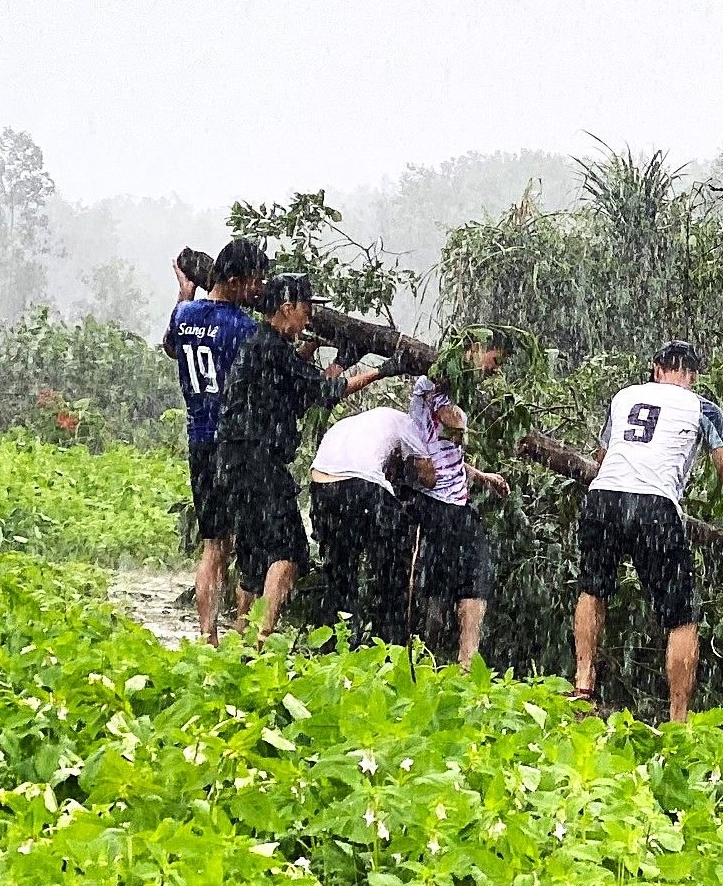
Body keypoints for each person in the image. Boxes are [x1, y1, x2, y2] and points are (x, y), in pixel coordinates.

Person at [573, 339, 723, 723]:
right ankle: (678, 719)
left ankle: (583, 681)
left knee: (593, 588)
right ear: (693, 375)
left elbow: (604, 457)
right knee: (682, 617)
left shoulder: (624, 397)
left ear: (656, 369)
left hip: (603, 497)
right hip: (655, 507)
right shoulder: (702, 409)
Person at [214, 273, 385, 641]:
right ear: (287, 307)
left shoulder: (262, 345)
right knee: (288, 549)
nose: (309, 319)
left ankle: (241, 635)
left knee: (252, 553)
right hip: (260, 459)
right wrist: (384, 370)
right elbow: (325, 391)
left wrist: (340, 361)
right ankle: (262, 639)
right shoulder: (271, 348)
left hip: (234, 459)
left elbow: (304, 388)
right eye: (306, 309)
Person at [165, 237, 270, 641]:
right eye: (255, 281)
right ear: (237, 279)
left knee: (214, 544)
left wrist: (182, 296)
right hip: (235, 444)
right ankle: (243, 632)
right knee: (249, 540)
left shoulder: (185, 315)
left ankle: (207, 634)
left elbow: (172, 348)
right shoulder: (244, 329)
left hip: (199, 441)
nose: (257, 290)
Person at [407, 338, 513, 667]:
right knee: (449, 575)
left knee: (468, 573)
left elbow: (447, 451)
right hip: (433, 497)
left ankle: (462, 658)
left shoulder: (453, 388)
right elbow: (450, 424)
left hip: (455, 498)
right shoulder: (433, 383)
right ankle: (430, 652)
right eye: (494, 360)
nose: (495, 370)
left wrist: (481, 475)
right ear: (476, 348)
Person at [308, 405, 437, 646]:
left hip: (321, 487)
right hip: (362, 486)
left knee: (340, 571)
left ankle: (335, 644)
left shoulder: (352, 422)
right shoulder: (405, 422)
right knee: (392, 570)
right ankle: (391, 644)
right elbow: (429, 477)